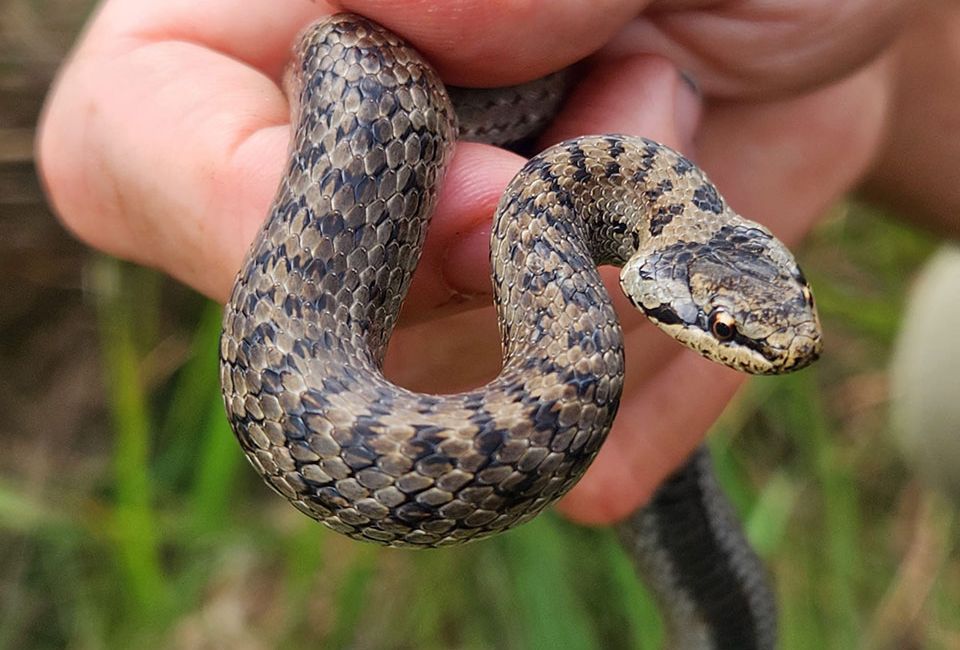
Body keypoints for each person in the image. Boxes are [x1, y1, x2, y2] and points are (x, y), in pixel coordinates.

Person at [36, 0, 959, 525]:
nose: (775, 347)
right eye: (728, 328)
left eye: (750, 322)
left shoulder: (598, 218)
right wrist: (859, 66)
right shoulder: (558, 199)